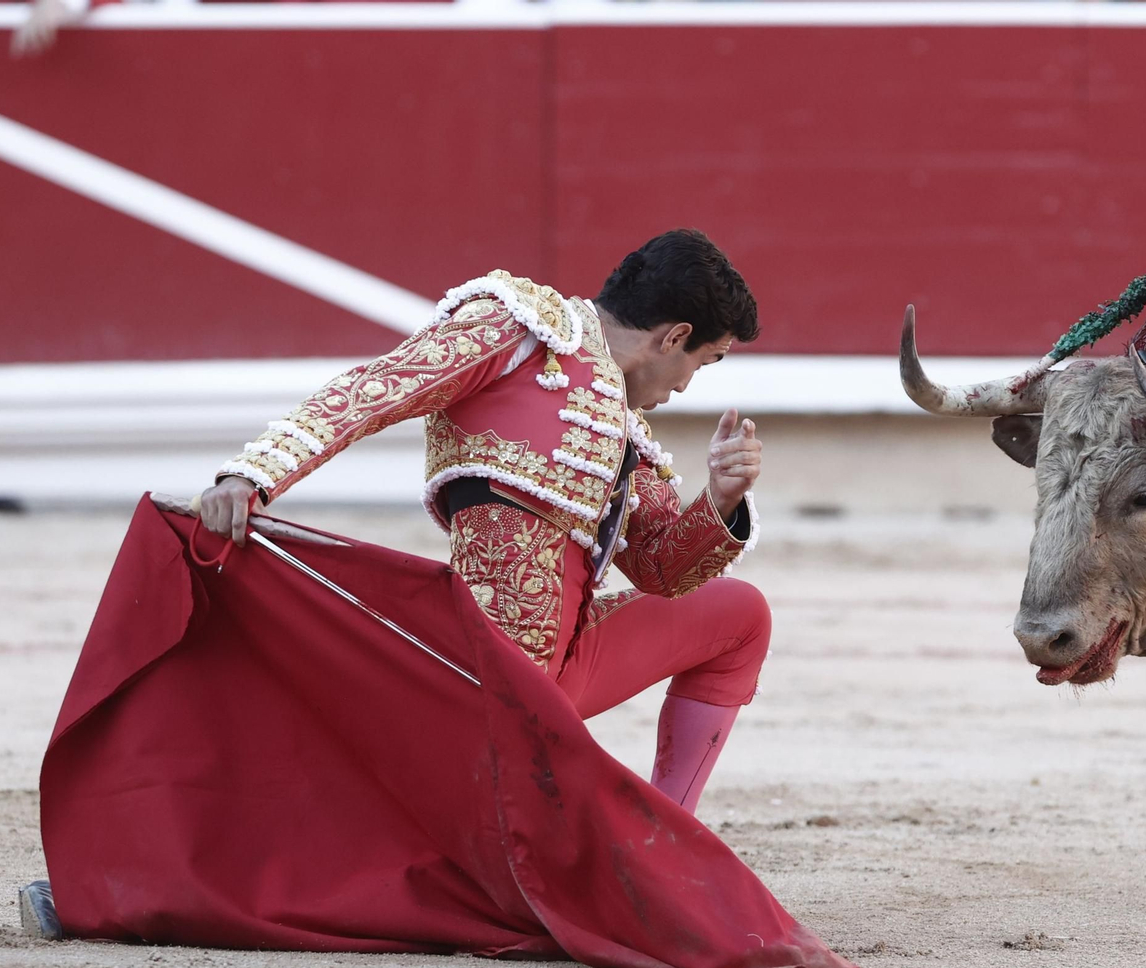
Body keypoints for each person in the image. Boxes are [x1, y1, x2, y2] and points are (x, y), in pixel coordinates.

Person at [200, 228, 767, 814]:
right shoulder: (517, 332)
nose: (684, 386)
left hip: (563, 673)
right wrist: (254, 474)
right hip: (477, 672)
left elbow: (661, 570)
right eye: (702, 362)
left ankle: (671, 827)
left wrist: (721, 499)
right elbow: (376, 389)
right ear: (675, 337)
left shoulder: (619, 424)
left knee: (742, 613)